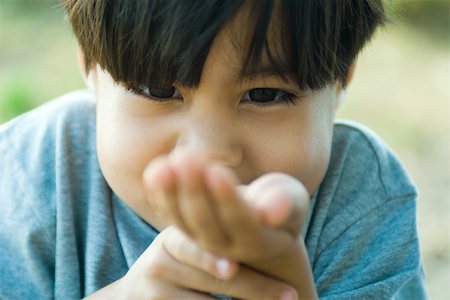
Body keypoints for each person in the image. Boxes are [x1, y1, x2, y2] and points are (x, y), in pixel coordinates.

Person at [0, 0, 428, 299]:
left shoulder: (361, 198)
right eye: (157, 89)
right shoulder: (29, 174)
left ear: (341, 82)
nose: (206, 154)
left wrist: (282, 284)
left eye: (263, 95)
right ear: (90, 65)